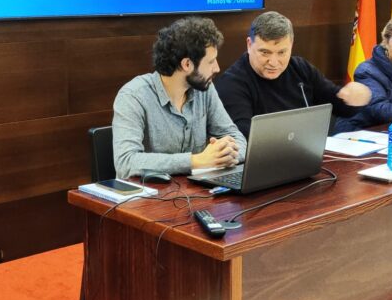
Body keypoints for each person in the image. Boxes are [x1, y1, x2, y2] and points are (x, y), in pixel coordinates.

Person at [113, 17, 246, 179]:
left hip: (195, 190)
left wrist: (225, 154)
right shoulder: (133, 96)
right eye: (211, 61)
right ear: (187, 64)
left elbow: (236, 138)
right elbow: (126, 163)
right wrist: (195, 161)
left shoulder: (205, 89)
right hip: (150, 193)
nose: (217, 68)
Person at [216, 11, 372, 138]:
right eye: (265, 52)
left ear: (291, 45)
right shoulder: (232, 83)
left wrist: (355, 99)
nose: (273, 62)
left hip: (304, 153)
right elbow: (245, 137)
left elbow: (338, 105)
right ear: (249, 45)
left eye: (282, 52)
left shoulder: (300, 68)